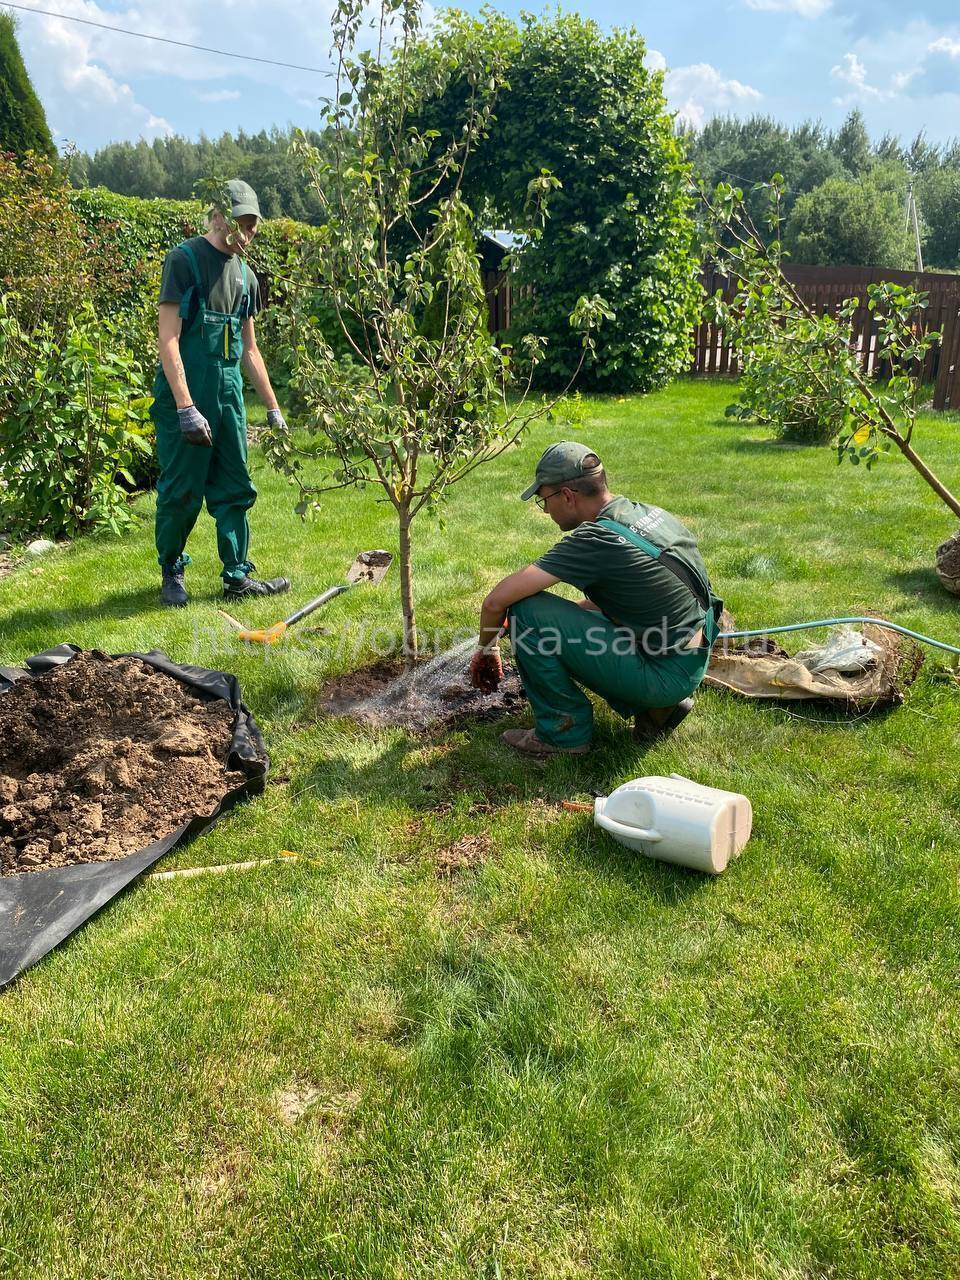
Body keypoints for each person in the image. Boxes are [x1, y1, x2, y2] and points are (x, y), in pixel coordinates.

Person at [469, 441, 722, 755]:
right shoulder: (644, 513)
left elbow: (496, 601)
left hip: (665, 674)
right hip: (692, 657)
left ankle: (562, 735)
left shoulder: (596, 539)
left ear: (567, 496)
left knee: (525, 611)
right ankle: (661, 710)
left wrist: (486, 648)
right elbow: (630, 598)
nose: (546, 509)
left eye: (543, 499)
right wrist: (566, 621)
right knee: (540, 619)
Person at [150, 179, 292, 607]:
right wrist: (185, 407)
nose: (247, 234)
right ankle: (172, 569)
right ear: (218, 217)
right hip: (186, 394)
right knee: (182, 490)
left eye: (253, 227)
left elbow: (250, 350)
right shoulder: (185, 261)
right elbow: (169, 338)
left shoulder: (246, 277)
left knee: (234, 486)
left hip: (229, 398)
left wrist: (272, 407)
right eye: (241, 223)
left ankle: (237, 575)